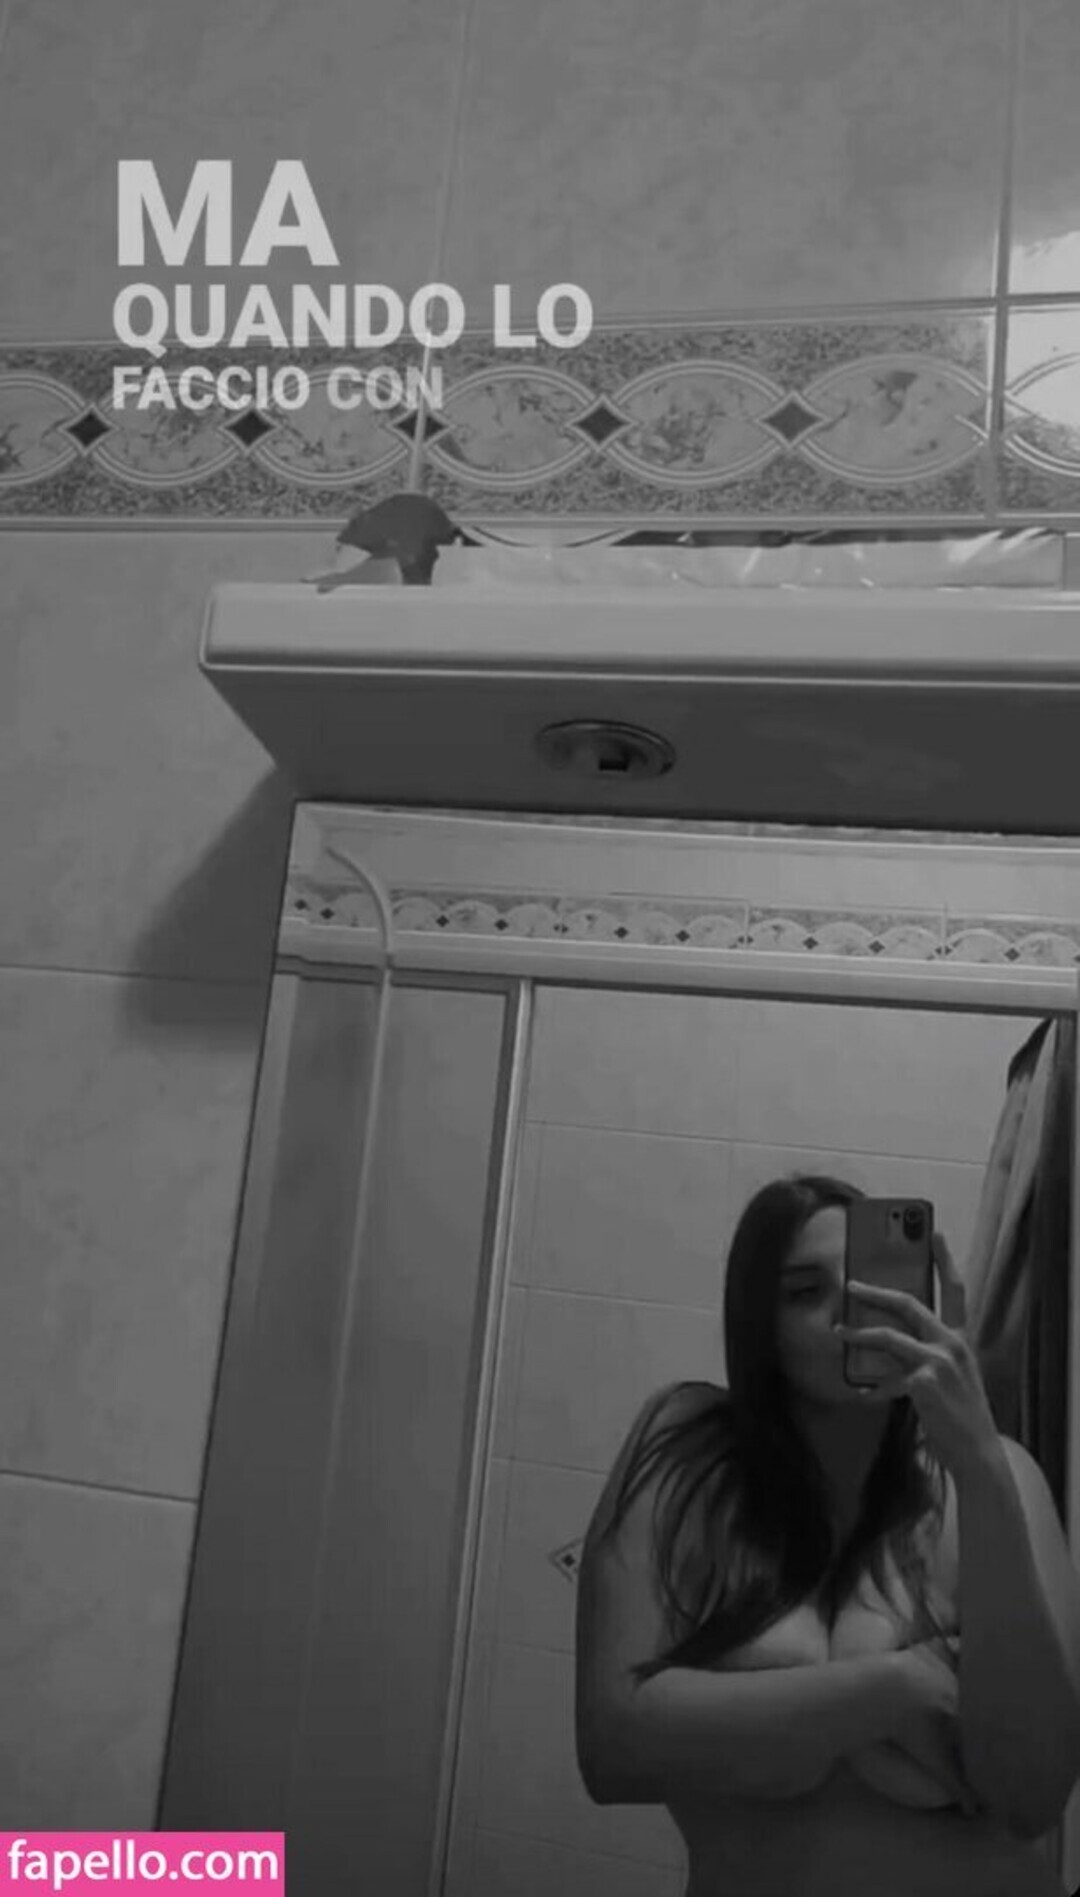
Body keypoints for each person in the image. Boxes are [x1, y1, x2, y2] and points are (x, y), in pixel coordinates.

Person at [575, 1175, 1080, 1897]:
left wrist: (977, 1464)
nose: (849, 1304)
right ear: (761, 1327)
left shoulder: (999, 1480)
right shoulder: (686, 1455)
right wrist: (897, 1686)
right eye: (805, 1290)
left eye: (871, 1282)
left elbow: (1034, 1797)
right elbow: (613, 1748)